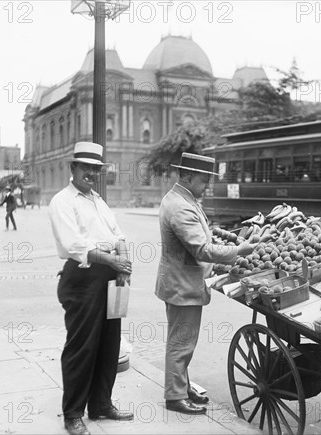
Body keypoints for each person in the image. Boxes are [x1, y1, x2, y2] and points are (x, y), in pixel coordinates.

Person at [155, 152, 257, 415]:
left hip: (180, 280)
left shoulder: (182, 197)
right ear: (187, 177)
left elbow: (203, 236)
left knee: (183, 339)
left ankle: (181, 385)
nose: (208, 185)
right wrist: (239, 251)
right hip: (182, 284)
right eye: (204, 180)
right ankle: (175, 396)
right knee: (181, 342)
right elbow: (201, 249)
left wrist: (225, 241)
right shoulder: (181, 206)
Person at [49, 142, 134, 435]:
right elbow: (74, 245)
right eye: (85, 168)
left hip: (109, 275)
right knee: (81, 348)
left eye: (95, 169)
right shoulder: (63, 201)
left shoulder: (98, 200)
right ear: (72, 168)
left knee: (108, 346)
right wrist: (112, 259)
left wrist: (123, 260)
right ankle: (73, 413)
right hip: (82, 279)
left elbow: (117, 234)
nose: (91, 174)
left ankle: (100, 404)